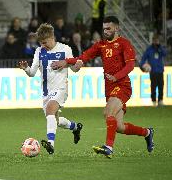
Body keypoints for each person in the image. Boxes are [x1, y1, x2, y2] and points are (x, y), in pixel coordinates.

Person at [51, 16, 154, 158]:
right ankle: (147, 133)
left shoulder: (124, 43)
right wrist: (66, 61)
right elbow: (84, 57)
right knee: (119, 127)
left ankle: (108, 148)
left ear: (117, 28)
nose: (105, 31)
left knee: (108, 112)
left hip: (122, 86)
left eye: (108, 28)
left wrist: (116, 76)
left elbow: (130, 65)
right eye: (104, 28)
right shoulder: (101, 45)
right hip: (109, 88)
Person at [18, 23, 84, 154]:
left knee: (50, 110)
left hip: (61, 89)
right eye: (41, 43)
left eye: (45, 42)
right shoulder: (39, 51)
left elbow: (74, 69)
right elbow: (32, 73)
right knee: (56, 120)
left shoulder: (65, 49)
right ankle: (75, 127)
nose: (43, 45)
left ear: (52, 37)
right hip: (46, 92)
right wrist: (26, 68)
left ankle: (50, 144)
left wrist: (79, 65)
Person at [140, 35, 167, 106]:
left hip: (160, 70)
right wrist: (142, 66)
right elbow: (143, 59)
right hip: (153, 71)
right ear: (153, 41)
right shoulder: (149, 49)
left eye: (157, 41)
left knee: (161, 86)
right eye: (155, 40)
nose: (156, 42)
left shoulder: (160, 49)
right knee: (153, 86)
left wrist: (160, 47)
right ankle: (154, 101)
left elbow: (165, 54)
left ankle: (160, 100)